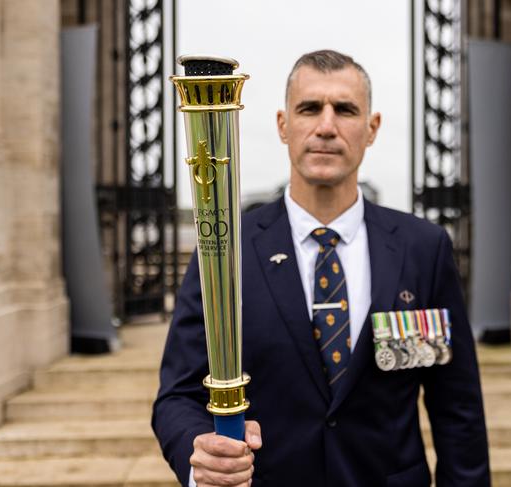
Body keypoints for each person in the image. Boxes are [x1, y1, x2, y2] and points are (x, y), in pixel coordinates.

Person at [153, 49, 490, 487]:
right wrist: (200, 455)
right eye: (309, 108)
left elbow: (457, 406)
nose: (326, 127)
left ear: (371, 129)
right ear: (283, 125)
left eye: (345, 110)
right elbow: (178, 395)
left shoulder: (423, 249)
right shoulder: (224, 247)